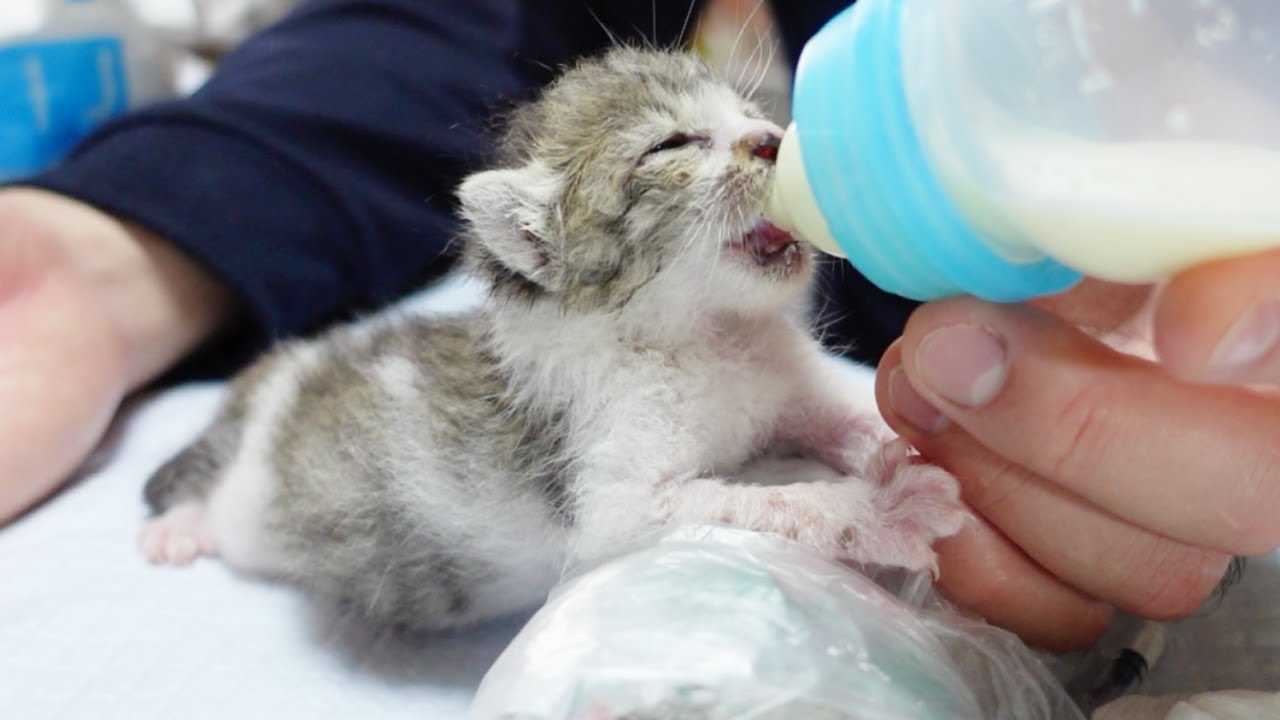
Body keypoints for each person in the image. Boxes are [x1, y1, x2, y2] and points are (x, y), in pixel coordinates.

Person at [1, 0, 1275, 653]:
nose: (762, 144)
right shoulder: (597, 370)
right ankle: (204, 483)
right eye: (679, 148)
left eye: (737, 120)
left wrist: (873, 453)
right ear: (543, 248)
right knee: (245, 510)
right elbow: (623, 511)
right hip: (334, 489)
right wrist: (122, 237)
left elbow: (824, 399)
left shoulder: (732, 331)